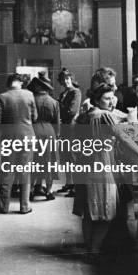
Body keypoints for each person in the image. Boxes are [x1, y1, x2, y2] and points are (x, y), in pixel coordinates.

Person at [73, 83, 131, 261]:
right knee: (107, 212)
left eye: (112, 97)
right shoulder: (104, 115)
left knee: (89, 212)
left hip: (87, 164)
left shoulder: (86, 115)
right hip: (102, 164)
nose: (111, 101)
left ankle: (90, 248)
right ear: (97, 100)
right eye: (107, 98)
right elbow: (126, 133)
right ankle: (94, 250)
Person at [0, 73, 38, 215]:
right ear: (21, 83)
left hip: (9, 138)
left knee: (7, 172)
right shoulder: (29, 95)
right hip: (27, 137)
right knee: (25, 172)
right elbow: (35, 117)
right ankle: (25, 206)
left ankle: (3, 206)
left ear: (8, 84)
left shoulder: (2, 97)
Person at [26, 72, 60, 201]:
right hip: (49, 132)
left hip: (33, 131)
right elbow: (57, 124)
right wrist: (57, 136)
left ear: (38, 86)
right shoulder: (54, 102)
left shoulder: (30, 100)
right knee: (49, 162)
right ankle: (49, 191)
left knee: (34, 161)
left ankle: (30, 190)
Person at [57, 68, 82, 196]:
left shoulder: (76, 92)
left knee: (72, 156)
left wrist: (60, 110)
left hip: (71, 128)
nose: (66, 82)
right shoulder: (63, 94)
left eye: (67, 79)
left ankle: (76, 186)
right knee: (65, 156)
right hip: (64, 128)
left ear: (71, 79)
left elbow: (72, 111)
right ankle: (69, 183)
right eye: (63, 80)